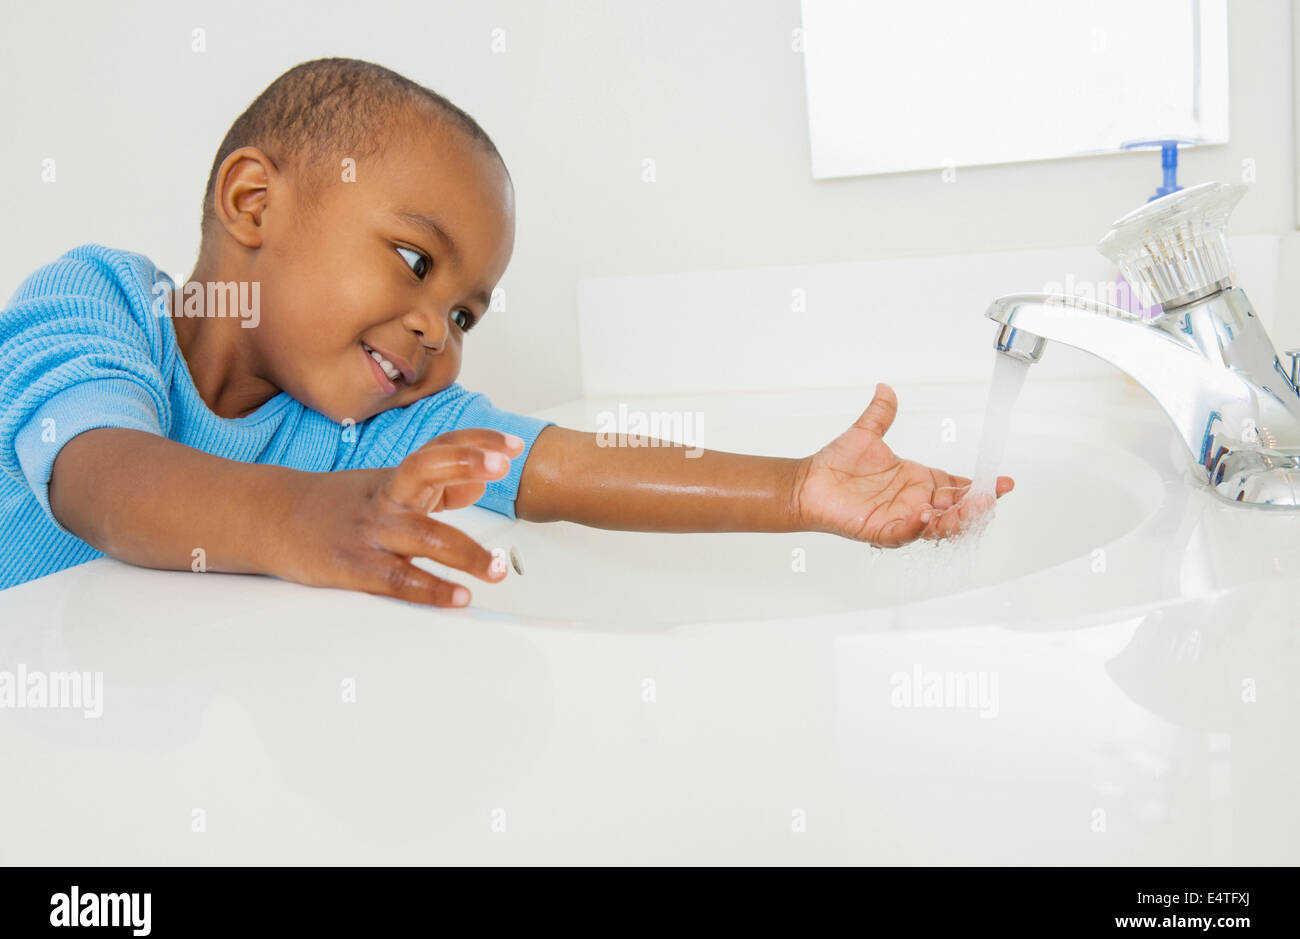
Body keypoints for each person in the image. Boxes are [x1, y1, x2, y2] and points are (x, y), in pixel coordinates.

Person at [0, 58, 1012, 601]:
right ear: (254, 203)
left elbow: (552, 465)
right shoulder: (100, 303)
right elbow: (98, 478)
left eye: (464, 312)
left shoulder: (362, 422)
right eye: (414, 261)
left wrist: (794, 488)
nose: (436, 330)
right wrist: (298, 519)